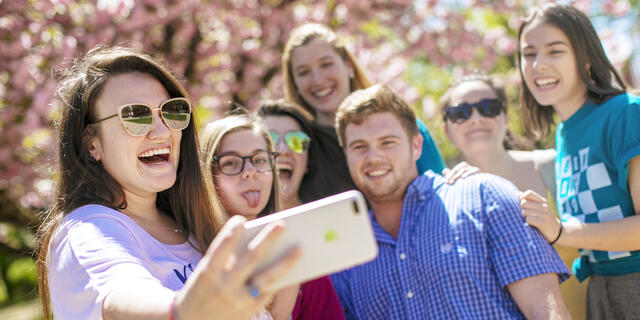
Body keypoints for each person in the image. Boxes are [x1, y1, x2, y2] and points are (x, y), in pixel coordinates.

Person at [35, 46, 300, 320]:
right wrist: (180, 311)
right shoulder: (89, 228)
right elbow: (120, 291)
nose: (163, 131)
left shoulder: (197, 226)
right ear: (91, 143)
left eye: (171, 112)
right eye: (135, 115)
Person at [331, 84, 571, 319]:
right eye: (360, 147)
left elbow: (546, 312)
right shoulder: (348, 255)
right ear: (346, 156)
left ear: (416, 146)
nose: (374, 157)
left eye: (387, 142)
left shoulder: (485, 196)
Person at [516, 3, 640, 318]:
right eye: (529, 54)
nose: (538, 65)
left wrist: (560, 231)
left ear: (585, 58)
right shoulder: (563, 134)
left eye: (555, 51)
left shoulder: (626, 113)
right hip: (599, 290)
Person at [440, 73, 587, 319]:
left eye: (489, 108)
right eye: (461, 112)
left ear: (506, 117)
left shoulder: (552, 165)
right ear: (446, 129)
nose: (476, 118)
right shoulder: (448, 196)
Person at [281, 23, 447, 201]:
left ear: (349, 66)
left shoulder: (405, 128)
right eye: (303, 72)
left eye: (326, 64)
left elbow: (442, 192)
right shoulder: (298, 147)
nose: (318, 80)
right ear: (295, 83)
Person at [256, 100, 347, 320]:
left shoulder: (336, 233)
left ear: (307, 162)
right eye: (270, 140)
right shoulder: (224, 236)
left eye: (296, 141)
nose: (283, 150)